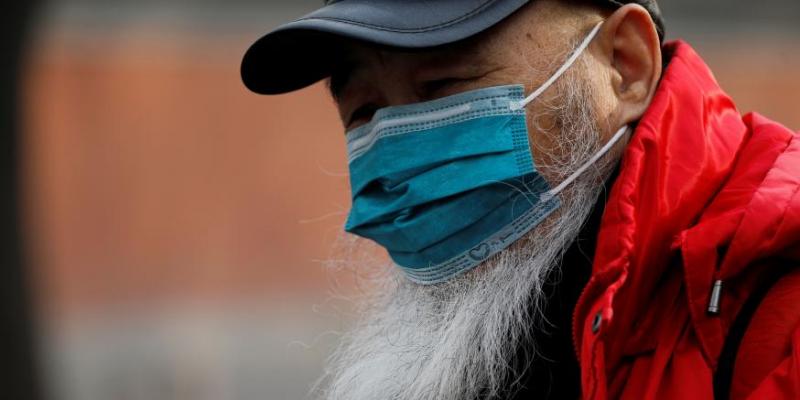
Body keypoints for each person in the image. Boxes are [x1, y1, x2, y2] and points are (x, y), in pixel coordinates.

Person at [241, 1, 800, 399]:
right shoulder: (443, 346)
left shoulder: (773, 305)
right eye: (363, 111)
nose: (404, 147)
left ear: (625, 67)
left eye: (444, 87)